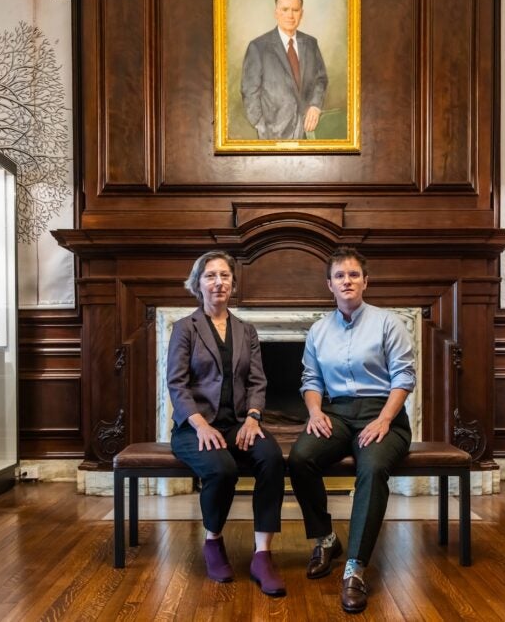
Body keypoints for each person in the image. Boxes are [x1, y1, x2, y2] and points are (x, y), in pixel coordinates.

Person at [287, 247, 415, 614]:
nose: (347, 280)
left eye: (354, 274)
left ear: (365, 281)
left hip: (382, 411)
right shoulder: (318, 330)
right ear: (330, 284)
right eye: (340, 275)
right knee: (300, 458)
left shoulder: (389, 323)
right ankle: (326, 539)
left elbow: (404, 377)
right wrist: (314, 411)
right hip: (337, 413)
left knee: (372, 469)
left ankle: (355, 568)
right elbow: (310, 379)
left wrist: (385, 419)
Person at [167, 251, 286, 596]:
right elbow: (177, 384)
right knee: (222, 470)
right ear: (198, 283)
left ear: (233, 283)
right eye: (210, 276)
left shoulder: (245, 330)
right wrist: (200, 424)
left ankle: (263, 555)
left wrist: (253, 417)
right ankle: (213, 541)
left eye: (224, 276)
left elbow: (257, 382)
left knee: (271, 458)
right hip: (194, 427)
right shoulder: (184, 328)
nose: (218, 282)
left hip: (237, 424)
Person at [240, 0, 328, 140]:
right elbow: (249, 91)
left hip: (307, 132)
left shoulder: (311, 43)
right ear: (276, 13)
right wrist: (260, 124)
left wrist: (315, 105)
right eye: (285, 10)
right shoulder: (258, 47)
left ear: (302, 13)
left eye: (295, 10)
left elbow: (321, 79)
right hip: (272, 134)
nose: (290, 15)